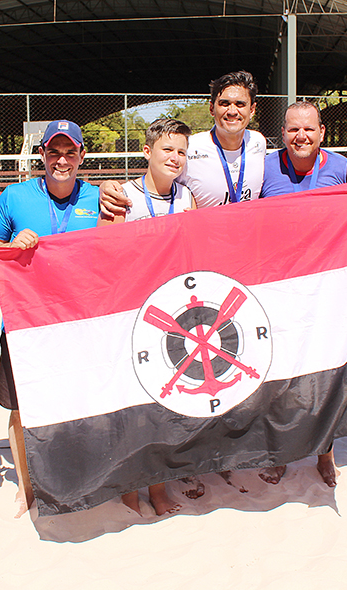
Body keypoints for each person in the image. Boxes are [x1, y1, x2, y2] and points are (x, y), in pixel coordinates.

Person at [0, 120, 99, 518]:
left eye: (70, 152)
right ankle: (26, 486)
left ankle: (75, 476)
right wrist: (14, 246)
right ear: (42, 156)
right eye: (54, 152)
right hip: (24, 325)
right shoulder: (15, 196)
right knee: (21, 409)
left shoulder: (99, 198)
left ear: (82, 156)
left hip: (77, 325)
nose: (62, 160)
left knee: (77, 403)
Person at [98, 117, 195, 515]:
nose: (174, 158)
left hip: (168, 313)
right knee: (132, 411)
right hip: (131, 315)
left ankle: (157, 488)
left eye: (181, 152)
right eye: (167, 149)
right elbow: (108, 253)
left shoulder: (186, 198)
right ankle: (129, 491)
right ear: (147, 152)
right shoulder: (125, 196)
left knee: (161, 406)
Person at [259, 99, 347, 487]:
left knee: (324, 372)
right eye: (293, 129)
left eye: (308, 129)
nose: (301, 136)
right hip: (279, 288)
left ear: (321, 133)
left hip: (325, 289)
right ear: (282, 133)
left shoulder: (341, 168)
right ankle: (284, 452)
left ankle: (325, 452)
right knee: (282, 376)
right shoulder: (264, 168)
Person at [100, 70, 266, 216]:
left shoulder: (258, 142)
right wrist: (108, 187)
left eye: (240, 104)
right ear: (211, 109)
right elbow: (156, 177)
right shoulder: (189, 148)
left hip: (247, 242)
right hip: (206, 244)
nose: (232, 111)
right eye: (224, 103)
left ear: (252, 110)